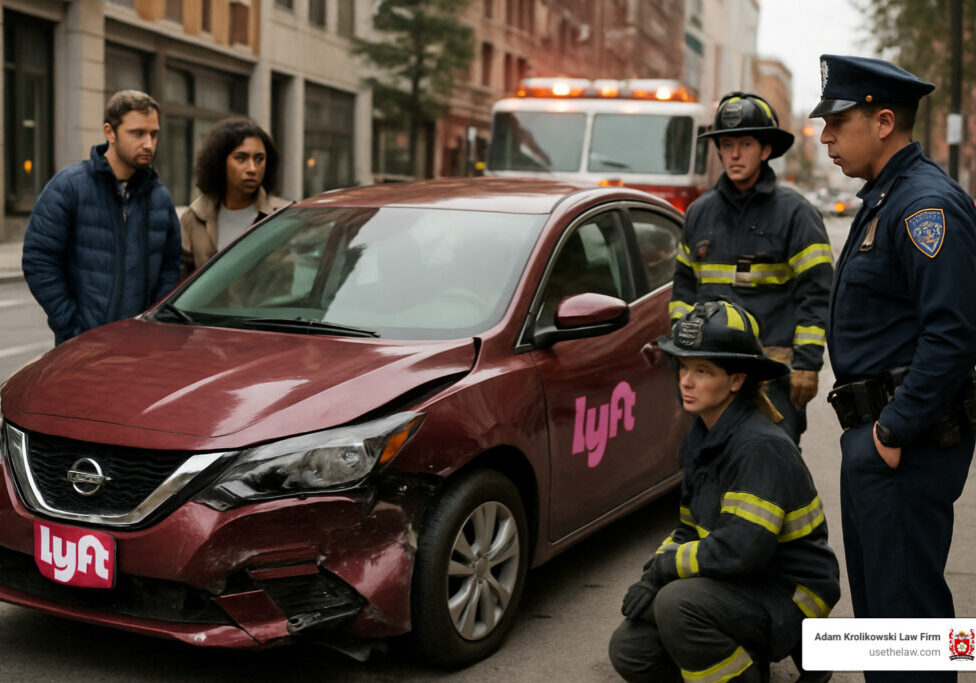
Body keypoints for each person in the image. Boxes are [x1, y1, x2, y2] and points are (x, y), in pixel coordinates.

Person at [811, 54, 976, 682]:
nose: (825, 135)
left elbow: (954, 333)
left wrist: (892, 430)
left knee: (909, 619)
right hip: (878, 437)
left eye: (836, 120)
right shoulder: (887, 196)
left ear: (883, 121)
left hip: (905, 440)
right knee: (883, 615)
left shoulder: (923, 205)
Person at [608, 300, 839, 683]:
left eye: (703, 370)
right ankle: (741, 655)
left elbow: (742, 549)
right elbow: (689, 529)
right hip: (742, 580)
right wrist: (652, 574)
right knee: (630, 650)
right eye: (683, 367)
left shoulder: (759, 447)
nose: (686, 380)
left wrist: (667, 571)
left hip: (790, 590)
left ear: (736, 380)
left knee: (676, 605)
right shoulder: (702, 436)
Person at [671, 92, 833, 445]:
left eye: (745, 143)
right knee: (707, 466)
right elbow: (683, 287)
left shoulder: (796, 214)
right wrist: (681, 350)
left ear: (765, 150)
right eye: (726, 144)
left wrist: (807, 365)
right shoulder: (699, 213)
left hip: (771, 375)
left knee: (769, 472)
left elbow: (817, 293)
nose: (733, 153)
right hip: (712, 374)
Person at [22, 90, 181, 345]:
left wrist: (155, 324)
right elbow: (39, 259)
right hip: (83, 347)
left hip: (143, 348)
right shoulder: (69, 186)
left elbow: (171, 265)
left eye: (154, 134)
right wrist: (72, 327)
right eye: (138, 133)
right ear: (110, 132)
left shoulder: (159, 197)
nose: (149, 144)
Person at [181, 117, 289, 274]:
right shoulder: (195, 217)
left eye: (259, 159)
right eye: (241, 158)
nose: (252, 168)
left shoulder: (282, 216)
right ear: (219, 161)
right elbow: (183, 281)